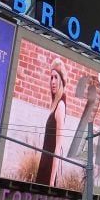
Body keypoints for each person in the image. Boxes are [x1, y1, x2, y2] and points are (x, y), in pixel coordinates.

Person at [35, 58, 67, 187]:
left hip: (49, 171)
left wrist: (51, 182)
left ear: (61, 80)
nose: (53, 81)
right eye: (51, 77)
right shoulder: (53, 104)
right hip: (43, 165)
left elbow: (57, 147)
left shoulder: (60, 106)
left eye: (56, 77)